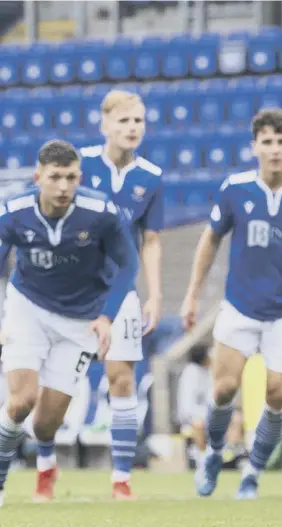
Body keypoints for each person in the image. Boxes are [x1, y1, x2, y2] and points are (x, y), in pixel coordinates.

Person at [180, 108, 282, 500]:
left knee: (276, 395)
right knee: (223, 389)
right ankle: (214, 454)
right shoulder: (234, 189)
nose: (274, 149)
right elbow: (210, 240)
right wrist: (193, 294)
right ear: (255, 146)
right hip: (240, 307)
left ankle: (253, 473)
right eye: (267, 141)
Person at [33, 90, 164, 502]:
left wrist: (155, 293)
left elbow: (152, 239)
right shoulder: (79, 166)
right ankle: (45, 465)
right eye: (123, 120)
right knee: (55, 388)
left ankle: (122, 479)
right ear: (104, 123)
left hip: (120, 290)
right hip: (68, 288)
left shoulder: (151, 177)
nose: (131, 128)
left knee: (121, 378)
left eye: (138, 121)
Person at [0, 140, 138, 508]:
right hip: (27, 307)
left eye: (71, 177)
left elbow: (128, 264)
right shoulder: (13, 211)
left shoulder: (100, 212)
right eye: (55, 177)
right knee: (20, 401)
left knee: (47, 422)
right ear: (38, 177)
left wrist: (107, 315)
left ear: (80, 176)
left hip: (80, 321)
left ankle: (46, 465)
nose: (63, 186)